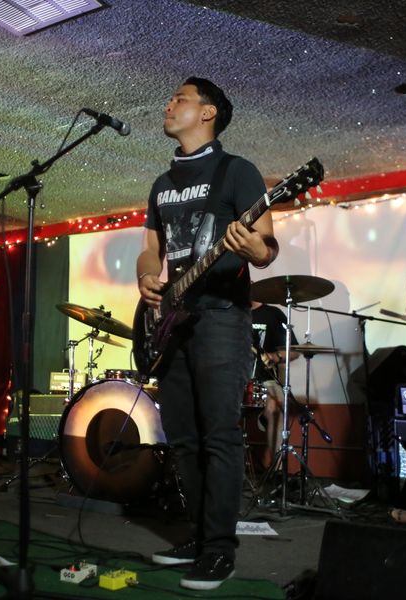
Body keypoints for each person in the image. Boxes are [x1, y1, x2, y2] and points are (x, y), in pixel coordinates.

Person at [136, 77, 278, 590]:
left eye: (180, 98)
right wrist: (146, 277)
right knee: (183, 437)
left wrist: (252, 248)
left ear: (208, 112)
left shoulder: (236, 171)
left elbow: (266, 246)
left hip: (221, 316)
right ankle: (197, 537)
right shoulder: (162, 184)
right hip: (172, 321)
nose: (169, 103)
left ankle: (220, 550)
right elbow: (150, 248)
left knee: (219, 433)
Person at [250, 300, 299, 467]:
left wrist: (275, 356)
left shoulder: (273, 314)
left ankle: (277, 470)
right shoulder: (230, 312)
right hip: (234, 378)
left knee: (275, 407)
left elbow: (294, 351)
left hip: (266, 379)